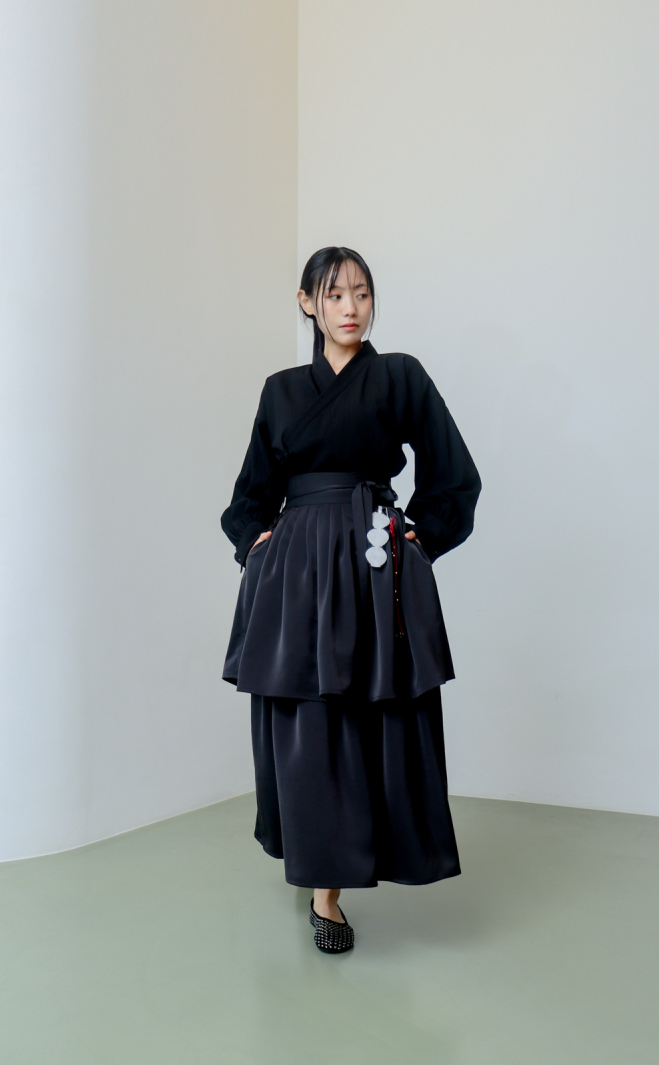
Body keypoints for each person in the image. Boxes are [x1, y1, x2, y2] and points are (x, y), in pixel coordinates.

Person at [221, 247, 480, 954]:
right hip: (299, 569)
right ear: (307, 303)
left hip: (373, 563)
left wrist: (420, 538)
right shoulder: (280, 391)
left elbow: (454, 473)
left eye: (362, 293)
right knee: (309, 721)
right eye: (334, 295)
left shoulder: (400, 375)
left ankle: (358, 857)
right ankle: (323, 884)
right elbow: (249, 494)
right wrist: (259, 544)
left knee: (377, 714)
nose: (351, 308)